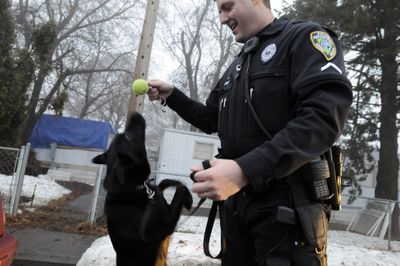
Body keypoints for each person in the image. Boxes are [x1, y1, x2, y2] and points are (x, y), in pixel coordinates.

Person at [147, 0, 353, 265]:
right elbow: (211, 118)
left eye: (228, 6)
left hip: (286, 213)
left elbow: (323, 118)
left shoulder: (303, 38)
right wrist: (172, 95)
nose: (222, 18)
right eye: (220, 11)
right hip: (237, 212)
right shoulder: (239, 63)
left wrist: (245, 170)